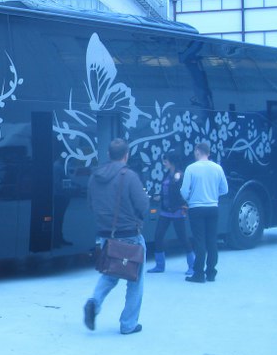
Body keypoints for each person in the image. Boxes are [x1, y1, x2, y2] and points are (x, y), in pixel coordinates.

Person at [83, 138, 149, 335]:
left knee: (110, 274)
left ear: (108, 154)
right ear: (126, 155)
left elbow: (90, 205)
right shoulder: (129, 176)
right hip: (130, 236)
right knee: (135, 281)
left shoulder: (94, 177)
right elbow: (143, 206)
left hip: (106, 237)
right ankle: (128, 324)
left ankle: (94, 302)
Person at [181, 141, 228, 283]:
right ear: (208, 153)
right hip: (213, 208)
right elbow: (225, 189)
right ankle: (211, 272)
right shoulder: (217, 168)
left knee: (199, 241)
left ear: (197, 151)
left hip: (196, 208)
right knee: (212, 240)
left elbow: (184, 191)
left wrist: (190, 199)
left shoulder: (191, 168)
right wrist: (213, 195)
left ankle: (199, 274)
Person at [148, 151, 195, 275]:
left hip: (177, 210)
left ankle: (192, 265)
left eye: (166, 161)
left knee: (182, 237)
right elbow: (166, 192)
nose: (164, 163)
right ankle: (160, 265)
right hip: (165, 211)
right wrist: (159, 197)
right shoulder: (167, 174)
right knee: (158, 236)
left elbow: (182, 192)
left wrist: (184, 205)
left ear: (172, 162)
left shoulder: (180, 175)